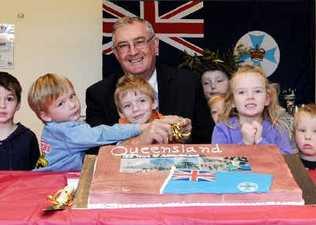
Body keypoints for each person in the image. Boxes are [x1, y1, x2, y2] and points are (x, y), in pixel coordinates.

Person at [85, 16, 211, 148]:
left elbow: (208, 139)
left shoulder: (189, 83)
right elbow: (93, 150)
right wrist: (137, 142)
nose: (133, 51)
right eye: (123, 46)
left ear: (155, 45)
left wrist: (184, 134)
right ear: (116, 54)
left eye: (139, 42)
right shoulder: (98, 94)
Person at [28, 73, 175, 172]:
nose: (72, 104)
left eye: (72, 96)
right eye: (61, 103)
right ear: (45, 115)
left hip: (43, 174)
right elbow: (101, 134)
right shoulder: (69, 131)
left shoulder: (53, 128)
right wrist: (141, 127)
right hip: (53, 179)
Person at [212, 64, 293, 154]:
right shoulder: (222, 129)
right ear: (232, 102)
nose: (250, 97)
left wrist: (260, 141)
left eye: (257, 91)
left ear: (267, 99)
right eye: (242, 92)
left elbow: (288, 162)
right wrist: (245, 144)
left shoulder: (278, 128)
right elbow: (220, 163)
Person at [114, 74, 191, 143]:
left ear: (154, 103)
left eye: (142, 100)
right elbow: (120, 148)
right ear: (121, 113)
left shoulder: (164, 121)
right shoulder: (121, 130)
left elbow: (180, 139)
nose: (135, 109)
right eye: (127, 105)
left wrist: (183, 131)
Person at [0, 72, 39, 170]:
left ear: (18, 104)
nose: (2, 105)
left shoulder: (28, 137)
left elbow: (37, 175)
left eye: (9, 99)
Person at [294, 104, 316, 169]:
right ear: (294, 133)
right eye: (302, 130)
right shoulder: (289, 165)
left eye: (315, 131)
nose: (307, 137)